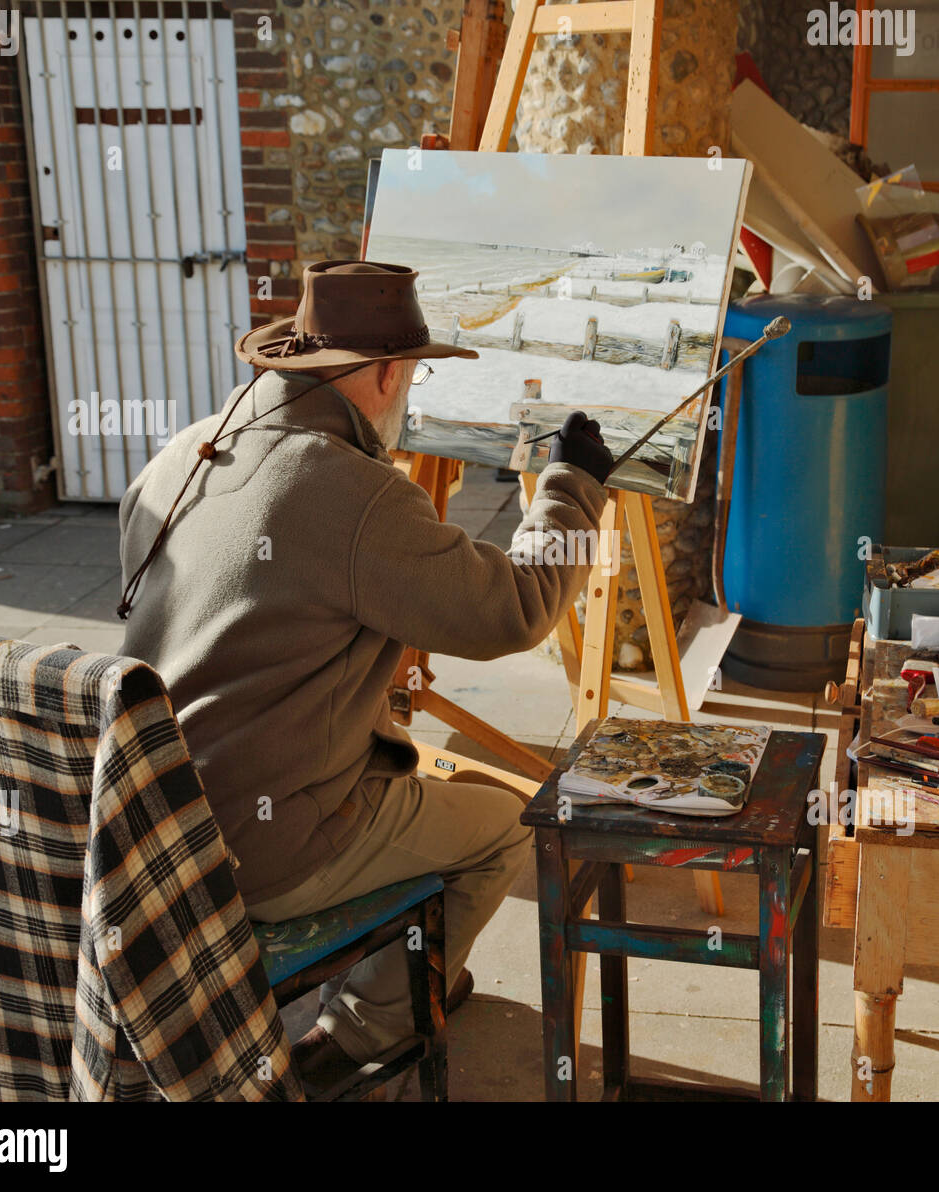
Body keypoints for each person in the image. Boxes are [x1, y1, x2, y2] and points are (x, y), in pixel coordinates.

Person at [116, 260, 613, 1092]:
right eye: (412, 373)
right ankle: (361, 1026)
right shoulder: (351, 490)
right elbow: (513, 610)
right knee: (508, 825)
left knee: (407, 766)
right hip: (262, 849)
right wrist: (571, 488)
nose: (410, 392)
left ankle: (401, 976)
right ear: (386, 373)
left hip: (152, 829)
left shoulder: (181, 456)